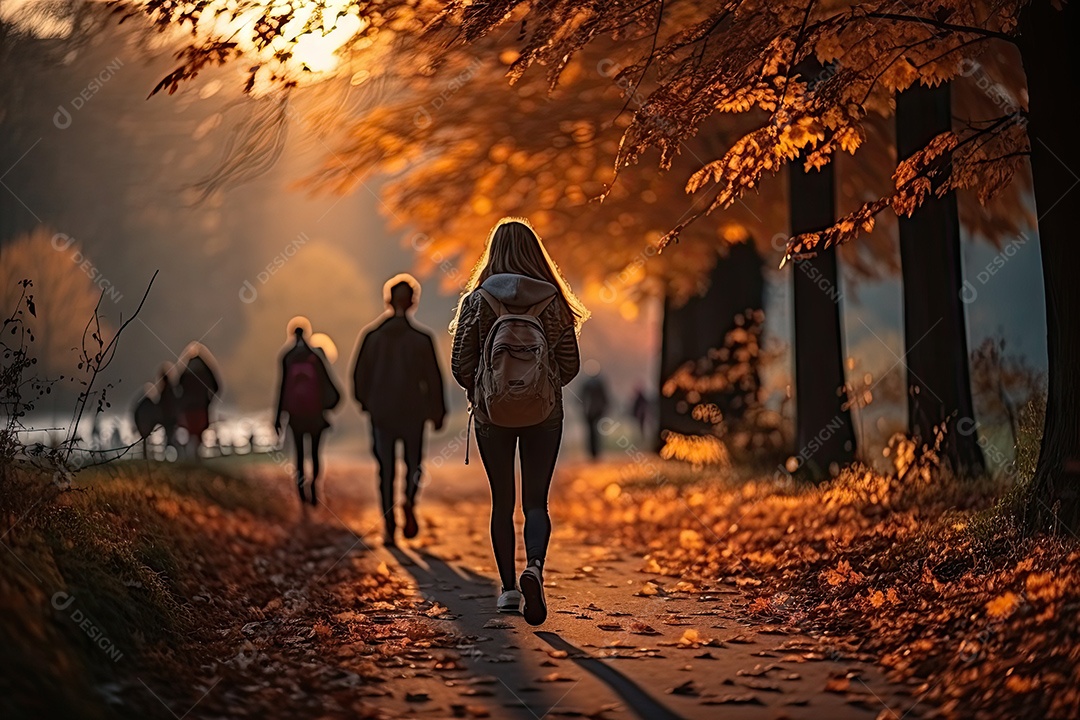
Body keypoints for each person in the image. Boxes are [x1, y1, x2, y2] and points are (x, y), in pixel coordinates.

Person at [451, 217, 587, 625]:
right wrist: (540, 386)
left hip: (492, 415)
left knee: (502, 502)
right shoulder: (553, 302)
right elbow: (570, 365)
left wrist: (486, 388)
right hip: (545, 414)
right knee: (536, 502)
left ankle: (509, 590)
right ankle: (536, 568)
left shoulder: (478, 301)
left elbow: (461, 364)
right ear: (535, 253)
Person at [353, 274, 446, 547]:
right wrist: (437, 411)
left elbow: (359, 376)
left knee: (385, 469)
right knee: (414, 464)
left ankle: (389, 526)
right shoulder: (422, 339)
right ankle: (408, 501)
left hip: (381, 413)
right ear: (413, 302)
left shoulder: (371, 337)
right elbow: (433, 379)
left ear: (388, 300)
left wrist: (367, 403)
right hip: (413, 413)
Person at [275, 317, 341, 507]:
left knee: (299, 453)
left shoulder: (287, 357)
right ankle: (315, 485)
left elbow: (282, 388)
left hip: (295, 416)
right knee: (314, 453)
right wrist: (329, 406)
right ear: (307, 333)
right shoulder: (315, 356)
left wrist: (278, 417)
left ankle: (301, 490)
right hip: (315, 415)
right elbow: (327, 385)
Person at [175, 342, 221, 459]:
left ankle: (192, 457)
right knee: (199, 432)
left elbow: (177, 388)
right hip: (201, 406)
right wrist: (209, 400)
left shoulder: (185, 370)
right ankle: (196, 457)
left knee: (191, 432)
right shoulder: (206, 370)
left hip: (188, 408)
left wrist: (182, 402)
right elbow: (217, 387)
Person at [579, 359, 610, 460]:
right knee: (595, 432)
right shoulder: (598, 383)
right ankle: (595, 452)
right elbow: (605, 398)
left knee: (591, 432)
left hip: (589, 412)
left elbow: (580, 398)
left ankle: (593, 452)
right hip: (596, 411)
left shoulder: (586, 383)